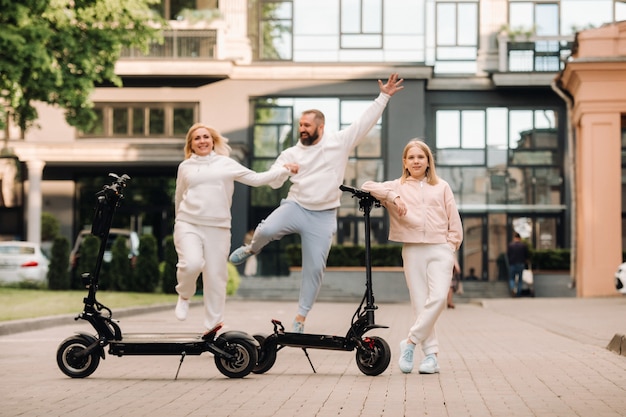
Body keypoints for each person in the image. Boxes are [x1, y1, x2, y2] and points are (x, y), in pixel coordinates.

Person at [229, 73, 405, 333]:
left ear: (320, 127)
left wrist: (384, 96)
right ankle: (251, 249)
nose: (302, 129)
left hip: (323, 216)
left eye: (307, 125)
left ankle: (300, 318)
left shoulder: (338, 142)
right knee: (264, 230)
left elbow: (363, 123)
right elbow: (274, 182)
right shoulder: (290, 153)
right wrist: (283, 170)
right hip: (295, 206)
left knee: (314, 269)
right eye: (300, 124)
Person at [173, 123, 298, 338]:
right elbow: (178, 197)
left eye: (206, 137)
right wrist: (178, 221)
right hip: (188, 223)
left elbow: (257, 179)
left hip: (218, 227)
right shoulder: (185, 167)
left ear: (213, 141)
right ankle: (184, 295)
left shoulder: (226, 164)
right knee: (191, 264)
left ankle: (212, 326)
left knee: (215, 276)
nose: (202, 141)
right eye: (197, 138)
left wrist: (283, 170)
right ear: (191, 144)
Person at [361, 139, 463, 374]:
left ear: (428, 162)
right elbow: (367, 185)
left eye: (421, 157)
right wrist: (393, 197)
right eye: (411, 157)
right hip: (413, 249)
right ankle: (431, 358)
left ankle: (409, 342)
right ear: (405, 162)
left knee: (437, 299)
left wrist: (451, 245)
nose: (416, 161)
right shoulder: (397, 186)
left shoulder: (442, 186)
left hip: (440, 248)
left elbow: (454, 219)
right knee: (420, 303)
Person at [507, 232, 530, 297]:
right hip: (521, 264)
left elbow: (508, 255)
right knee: (520, 280)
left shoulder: (510, 245)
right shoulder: (523, 246)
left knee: (512, 278)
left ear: (514, 238)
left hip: (512, 264)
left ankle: (512, 288)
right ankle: (518, 293)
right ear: (519, 238)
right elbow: (526, 255)